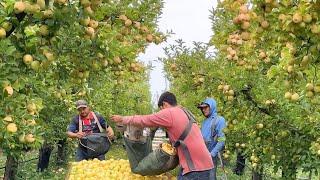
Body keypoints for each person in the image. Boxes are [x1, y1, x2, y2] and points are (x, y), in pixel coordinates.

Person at [111, 92, 214, 179]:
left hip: (195, 169)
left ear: (164, 104)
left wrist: (123, 119)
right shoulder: (185, 112)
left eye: (161, 109)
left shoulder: (169, 112)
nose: (161, 113)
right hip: (207, 165)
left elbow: (145, 120)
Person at [197, 98, 226, 179]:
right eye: (202, 108)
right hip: (202, 154)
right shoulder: (205, 121)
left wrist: (212, 154)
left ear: (212, 106)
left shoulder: (220, 120)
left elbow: (222, 140)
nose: (203, 110)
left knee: (210, 177)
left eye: (206, 107)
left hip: (210, 155)